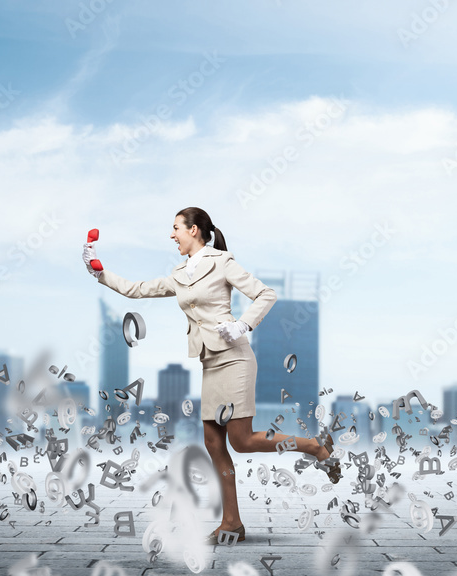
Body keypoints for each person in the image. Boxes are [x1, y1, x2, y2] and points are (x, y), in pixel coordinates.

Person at [82, 207, 341, 545]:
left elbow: (266, 294)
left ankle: (313, 445)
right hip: (210, 362)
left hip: (234, 359)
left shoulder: (222, 261)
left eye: (176, 228)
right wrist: (98, 272)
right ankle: (231, 522)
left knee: (241, 440)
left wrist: (241, 324)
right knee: (213, 442)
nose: (172, 234)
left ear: (194, 230)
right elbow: (136, 289)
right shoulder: (178, 273)